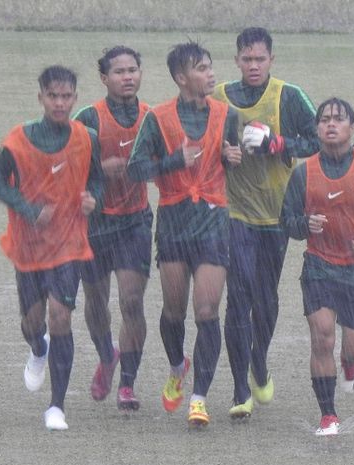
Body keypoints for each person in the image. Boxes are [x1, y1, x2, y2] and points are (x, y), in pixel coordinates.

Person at [127, 40, 239, 427]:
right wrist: (175, 159)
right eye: (202, 68)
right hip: (174, 221)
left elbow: (232, 161)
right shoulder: (157, 118)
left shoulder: (228, 115)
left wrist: (233, 159)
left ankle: (199, 398)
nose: (211, 74)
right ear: (180, 77)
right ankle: (178, 366)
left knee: (206, 310)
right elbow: (136, 169)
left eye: (210, 66)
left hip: (212, 223)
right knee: (173, 312)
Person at [0, 65, 104, 431]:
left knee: (61, 317)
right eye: (53, 95)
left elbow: (96, 179)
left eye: (66, 96)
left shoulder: (87, 137)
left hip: (69, 242)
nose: (60, 102)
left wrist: (93, 199)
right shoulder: (18, 140)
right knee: (33, 322)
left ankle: (57, 406)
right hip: (29, 246)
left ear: (74, 99)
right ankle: (38, 348)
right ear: (41, 98)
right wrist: (29, 209)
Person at [213, 26, 320, 419]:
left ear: (271, 60)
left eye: (260, 59)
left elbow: (318, 138)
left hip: (277, 213)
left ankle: (260, 360)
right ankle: (240, 388)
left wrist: (278, 144)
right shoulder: (220, 98)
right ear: (237, 60)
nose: (253, 65)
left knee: (266, 297)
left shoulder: (288, 96)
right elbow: (205, 144)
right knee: (237, 298)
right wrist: (224, 155)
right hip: (235, 211)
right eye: (247, 59)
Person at [281, 98, 354, 436]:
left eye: (339, 119)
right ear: (317, 128)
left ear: (351, 127)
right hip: (318, 266)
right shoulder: (303, 172)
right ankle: (328, 415)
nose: (331, 124)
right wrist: (305, 224)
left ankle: (350, 364)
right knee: (322, 338)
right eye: (325, 119)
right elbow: (286, 221)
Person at [73, 46, 151, 411]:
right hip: (95, 223)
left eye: (133, 70)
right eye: (119, 71)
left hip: (135, 220)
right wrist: (100, 169)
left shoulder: (152, 117)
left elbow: (165, 163)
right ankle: (107, 354)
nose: (127, 77)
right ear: (104, 79)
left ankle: (128, 384)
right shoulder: (88, 117)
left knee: (132, 301)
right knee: (96, 300)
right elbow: (62, 165)